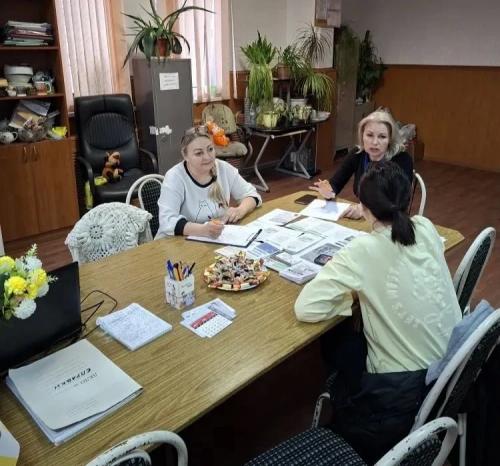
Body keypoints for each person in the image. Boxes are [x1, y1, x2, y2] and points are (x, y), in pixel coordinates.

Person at [295, 161, 461, 463]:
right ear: (406, 200)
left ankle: (340, 403)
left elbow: (306, 308)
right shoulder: (424, 227)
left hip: (402, 391)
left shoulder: (362, 250)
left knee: (336, 337)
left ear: (364, 208)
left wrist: (353, 297)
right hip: (451, 365)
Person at [156, 126, 261, 239]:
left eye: (210, 149)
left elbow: (252, 195)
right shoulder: (175, 177)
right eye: (198, 153)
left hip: (214, 240)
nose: (207, 157)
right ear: (185, 155)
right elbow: (167, 221)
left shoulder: (223, 168)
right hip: (175, 242)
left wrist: (240, 210)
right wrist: (203, 230)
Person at [309, 108, 413, 219]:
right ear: (362, 135)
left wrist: (363, 209)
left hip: (391, 219)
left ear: (390, 139)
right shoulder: (358, 154)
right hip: (366, 218)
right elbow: (336, 183)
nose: (375, 142)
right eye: (369, 135)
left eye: (382, 137)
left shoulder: (402, 159)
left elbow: (399, 200)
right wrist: (329, 190)